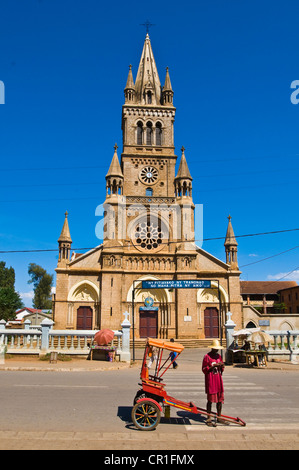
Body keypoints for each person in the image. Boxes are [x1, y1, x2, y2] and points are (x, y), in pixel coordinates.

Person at [202, 339, 226, 426]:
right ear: (212, 348)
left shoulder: (219, 357)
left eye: (217, 349)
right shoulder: (207, 357)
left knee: (220, 399)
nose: (217, 350)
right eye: (215, 349)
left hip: (218, 379)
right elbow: (204, 369)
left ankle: (219, 416)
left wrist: (222, 366)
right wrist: (213, 366)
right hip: (211, 380)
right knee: (210, 400)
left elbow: (222, 368)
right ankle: (208, 417)